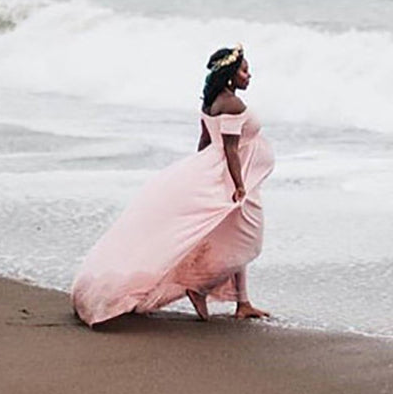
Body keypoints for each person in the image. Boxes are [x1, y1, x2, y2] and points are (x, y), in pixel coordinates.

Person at [71, 44, 273, 326]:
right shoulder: (232, 105)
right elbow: (230, 149)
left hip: (221, 173)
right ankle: (206, 288)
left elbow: (205, 142)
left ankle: (240, 301)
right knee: (245, 237)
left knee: (230, 237)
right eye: (244, 70)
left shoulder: (211, 102)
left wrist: (196, 173)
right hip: (232, 177)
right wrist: (237, 186)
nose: (249, 75)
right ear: (229, 75)